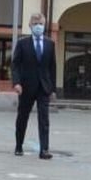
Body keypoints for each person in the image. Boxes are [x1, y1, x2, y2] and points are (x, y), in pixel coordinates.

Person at [11, 12, 56, 160]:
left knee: (44, 120)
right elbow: (15, 65)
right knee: (22, 117)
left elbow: (52, 67)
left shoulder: (50, 44)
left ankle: (44, 150)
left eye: (41, 24)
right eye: (36, 24)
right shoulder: (22, 43)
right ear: (30, 26)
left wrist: (53, 89)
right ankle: (19, 146)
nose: (38, 26)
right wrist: (16, 83)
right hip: (26, 87)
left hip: (44, 88)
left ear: (45, 25)